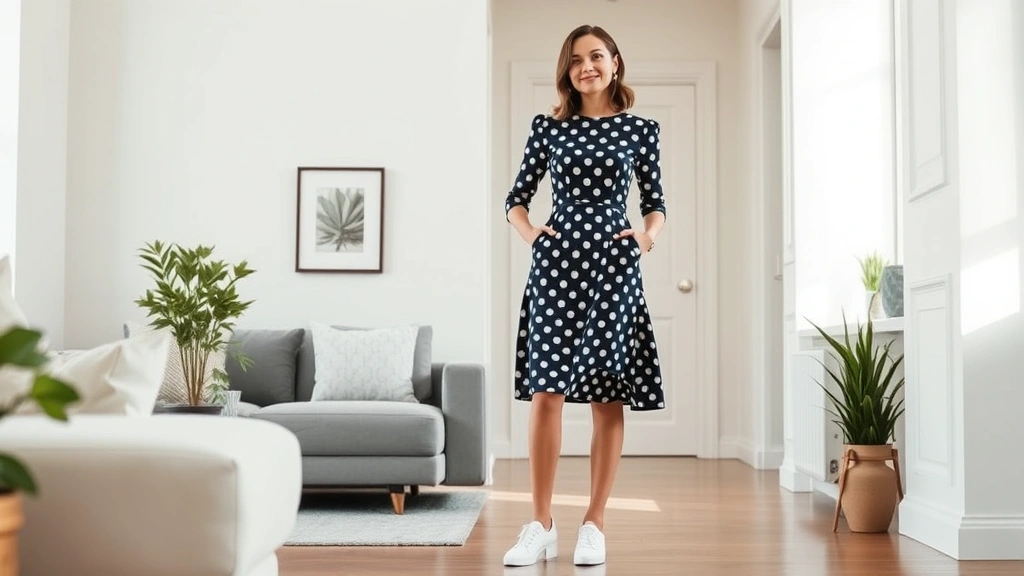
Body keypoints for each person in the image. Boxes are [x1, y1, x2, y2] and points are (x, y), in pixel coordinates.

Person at [501, 24, 667, 568]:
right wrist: (533, 238)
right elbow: (516, 200)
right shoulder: (548, 129)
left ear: (615, 63)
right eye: (575, 59)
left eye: (596, 56)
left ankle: (594, 522)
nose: (586, 66)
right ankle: (541, 523)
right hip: (557, 266)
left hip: (614, 268)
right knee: (547, 392)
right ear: (567, 70)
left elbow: (655, 202)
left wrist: (646, 237)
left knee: (605, 395)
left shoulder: (640, 129)